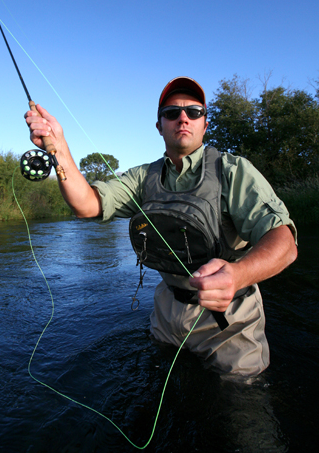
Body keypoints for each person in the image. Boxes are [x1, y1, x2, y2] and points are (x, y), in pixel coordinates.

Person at [25, 76, 297, 378]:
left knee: (242, 409)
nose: (183, 118)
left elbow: (284, 243)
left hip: (229, 319)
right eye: (171, 112)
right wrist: (57, 146)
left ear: (205, 124)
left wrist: (238, 274)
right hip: (166, 310)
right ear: (159, 126)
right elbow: (86, 204)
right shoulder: (144, 177)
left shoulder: (233, 171)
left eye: (193, 112)